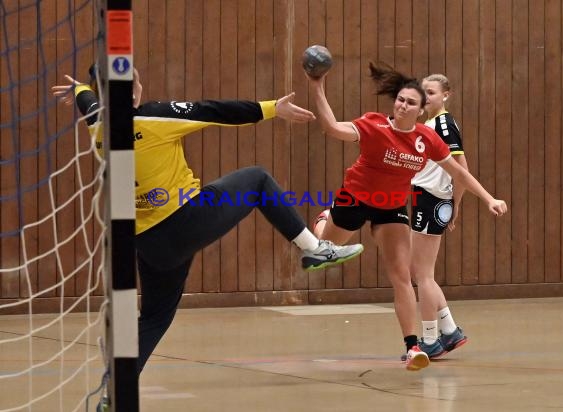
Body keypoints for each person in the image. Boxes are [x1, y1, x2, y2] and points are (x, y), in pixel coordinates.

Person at [52, 66, 364, 374]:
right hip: (185, 219)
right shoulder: (153, 116)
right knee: (257, 180)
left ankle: (117, 385)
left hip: (147, 243)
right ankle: (314, 248)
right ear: (134, 90)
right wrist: (272, 108)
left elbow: (87, 100)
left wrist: (81, 87)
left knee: (154, 317)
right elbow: (214, 110)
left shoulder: (97, 123)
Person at [307, 61, 507, 371]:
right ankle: (324, 219)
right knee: (323, 248)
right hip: (355, 198)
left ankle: (413, 347)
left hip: (391, 206)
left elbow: (459, 172)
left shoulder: (427, 139)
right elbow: (333, 128)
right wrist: (317, 86)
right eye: (400, 99)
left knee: (402, 274)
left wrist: (488, 197)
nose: (403, 105)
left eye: (411, 102)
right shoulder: (374, 125)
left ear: (421, 108)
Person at [409, 74, 469, 359]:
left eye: (431, 92)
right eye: (424, 92)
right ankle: (450, 330)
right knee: (421, 272)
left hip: (432, 200)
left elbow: (461, 166)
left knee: (423, 275)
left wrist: (456, 204)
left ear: (446, 95)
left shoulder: (444, 125)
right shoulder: (429, 125)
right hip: (425, 198)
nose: (426, 96)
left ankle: (431, 339)